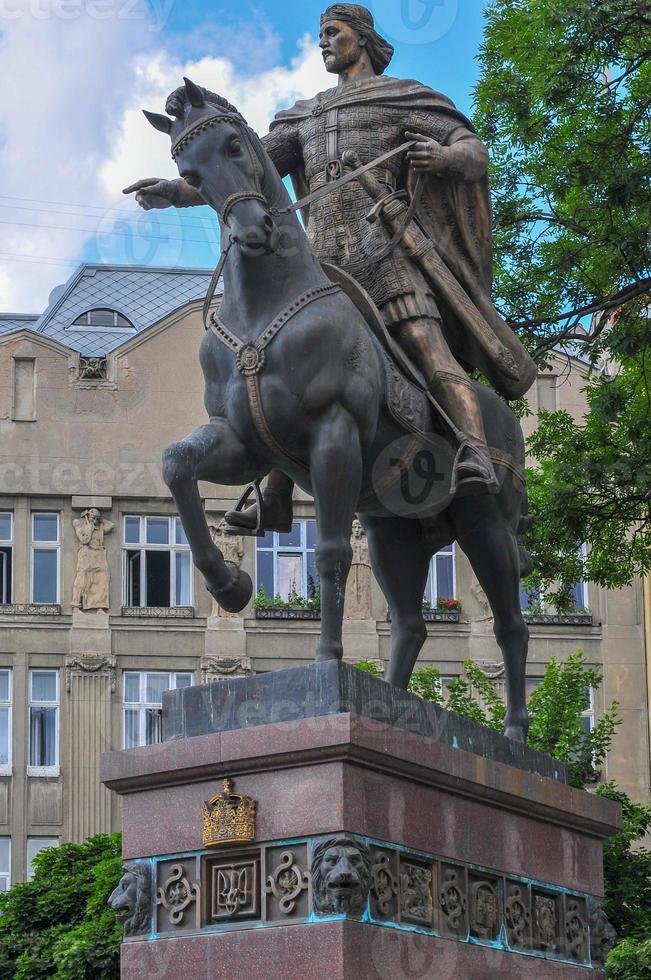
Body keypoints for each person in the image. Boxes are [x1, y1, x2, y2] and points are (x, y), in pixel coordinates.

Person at [124, 3, 536, 533]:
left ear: (361, 39)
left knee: (429, 352)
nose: (323, 43)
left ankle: (475, 452)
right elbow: (247, 166)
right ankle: (273, 496)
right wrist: (181, 192)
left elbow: (472, 151)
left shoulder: (401, 98)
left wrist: (447, 158)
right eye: (320, 35)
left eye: (332, 33)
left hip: (387, 258)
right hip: (321, 271)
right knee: (287, 376)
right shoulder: (308, 115)